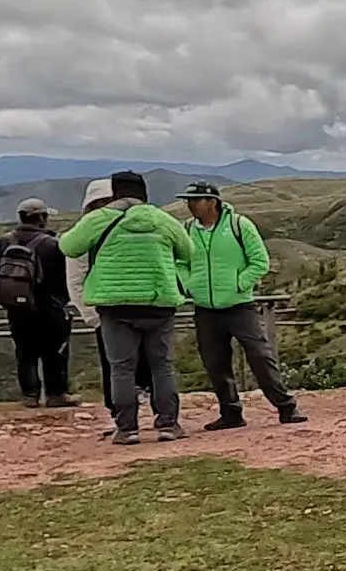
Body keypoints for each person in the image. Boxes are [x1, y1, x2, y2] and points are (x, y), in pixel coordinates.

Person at [60, 170, 193, 445]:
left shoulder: (99, 220)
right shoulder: (163, 219)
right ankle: (168, 424)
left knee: (121, 368)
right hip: (159, 302)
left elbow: (69, 246)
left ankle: (127, 429)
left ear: (115, 192)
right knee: (161, 366)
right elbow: (188, 252)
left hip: (115, 306)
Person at [177, 183, 304, 428]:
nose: (189, 205)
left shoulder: (239, 225)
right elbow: (180, 262)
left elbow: (259, 261)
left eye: (195, 200)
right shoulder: (186, 229)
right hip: (205, 308)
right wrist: (189, 283)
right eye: (188, 200)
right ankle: (231, 413)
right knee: (215, 362)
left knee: (259, 356)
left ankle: (286, 407)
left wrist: (239, 283)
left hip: (239, 306)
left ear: (211, 202)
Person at [66, 178, 148, 420]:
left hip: (123, 306)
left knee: (126, 364)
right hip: (110, 310)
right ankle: (122, 413)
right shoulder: (85, 232)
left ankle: (128, 415)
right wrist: (93, 317)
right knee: (118, 365)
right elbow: (76, 278)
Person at [0, 196, 75, 408]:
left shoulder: (2, 243)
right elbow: (64, 279)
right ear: (43, 217)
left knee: (25, 352)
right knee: (55, 351)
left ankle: (29, 395)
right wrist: (63, 300)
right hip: (50, 307)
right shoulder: (54, 245)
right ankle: (56, 395)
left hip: (17, 309)